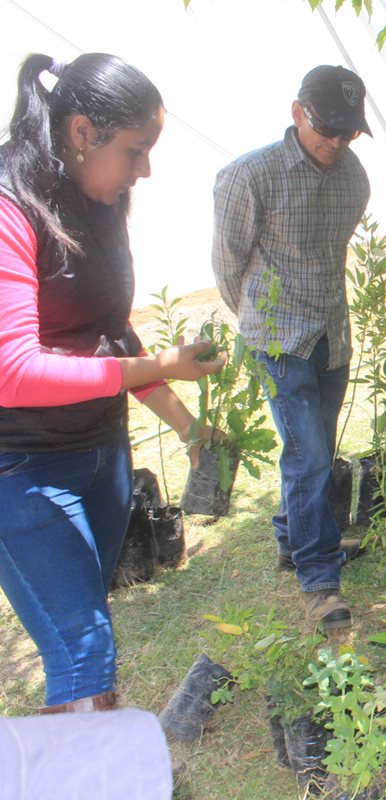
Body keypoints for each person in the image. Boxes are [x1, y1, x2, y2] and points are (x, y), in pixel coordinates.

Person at [0, 53, 223, 712]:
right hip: (23, 471)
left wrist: (185, 422)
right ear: (78, 134)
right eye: (135, 151)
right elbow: (13, 372)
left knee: (77, 644)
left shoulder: (103, 198)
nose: (144, 170)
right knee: (87, 655)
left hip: (102, 457)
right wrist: (160, 367)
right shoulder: (12, 207)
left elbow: (109, 327)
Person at [213, 65, 371, 631]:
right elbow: (228, 266)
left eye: (349, 133)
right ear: (297, 112)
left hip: (331, 334)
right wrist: (259, 324)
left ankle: (291, 537)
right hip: (278, 341)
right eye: (327, 129)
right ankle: (317, 577)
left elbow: (334, 253)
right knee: (306, 454)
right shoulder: (248, 177)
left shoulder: (355, 179)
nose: (337, 143)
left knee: (318, 449)